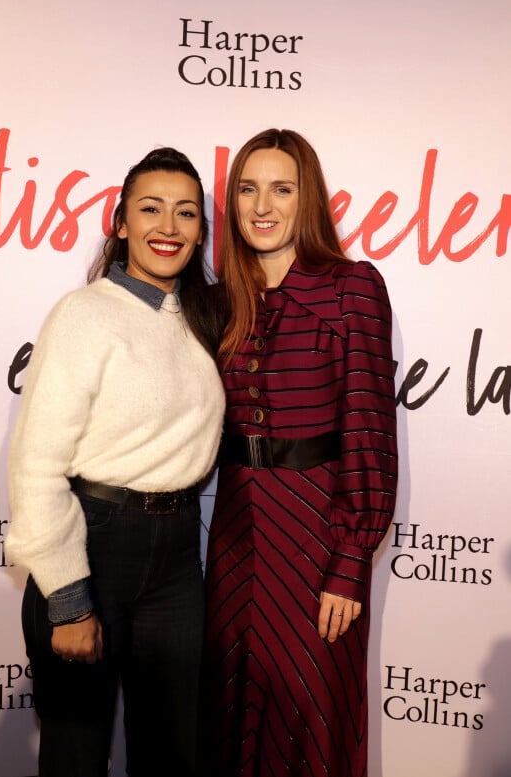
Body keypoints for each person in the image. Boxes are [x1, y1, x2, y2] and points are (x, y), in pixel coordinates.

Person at [5, 147, 225, 777]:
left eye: (186, 213)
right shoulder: (85, 315)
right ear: (121, 222)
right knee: (76, 754)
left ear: (200, 233)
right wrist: (69, 601)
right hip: (93, 543)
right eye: (150, 208)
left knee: (172, 752)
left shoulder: (200, 319)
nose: (169, 226)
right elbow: (38, 465)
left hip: (179, 556)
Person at [202, 129, 398, 777]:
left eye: (281, 189)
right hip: (234, 535)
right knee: (232, 712)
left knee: (312, 712)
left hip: (315, 536)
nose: (263, 205)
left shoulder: (352, 287)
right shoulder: (221, 296)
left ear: (305, 199)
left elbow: (369, 431)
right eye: (248, 190)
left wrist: (349, 562)